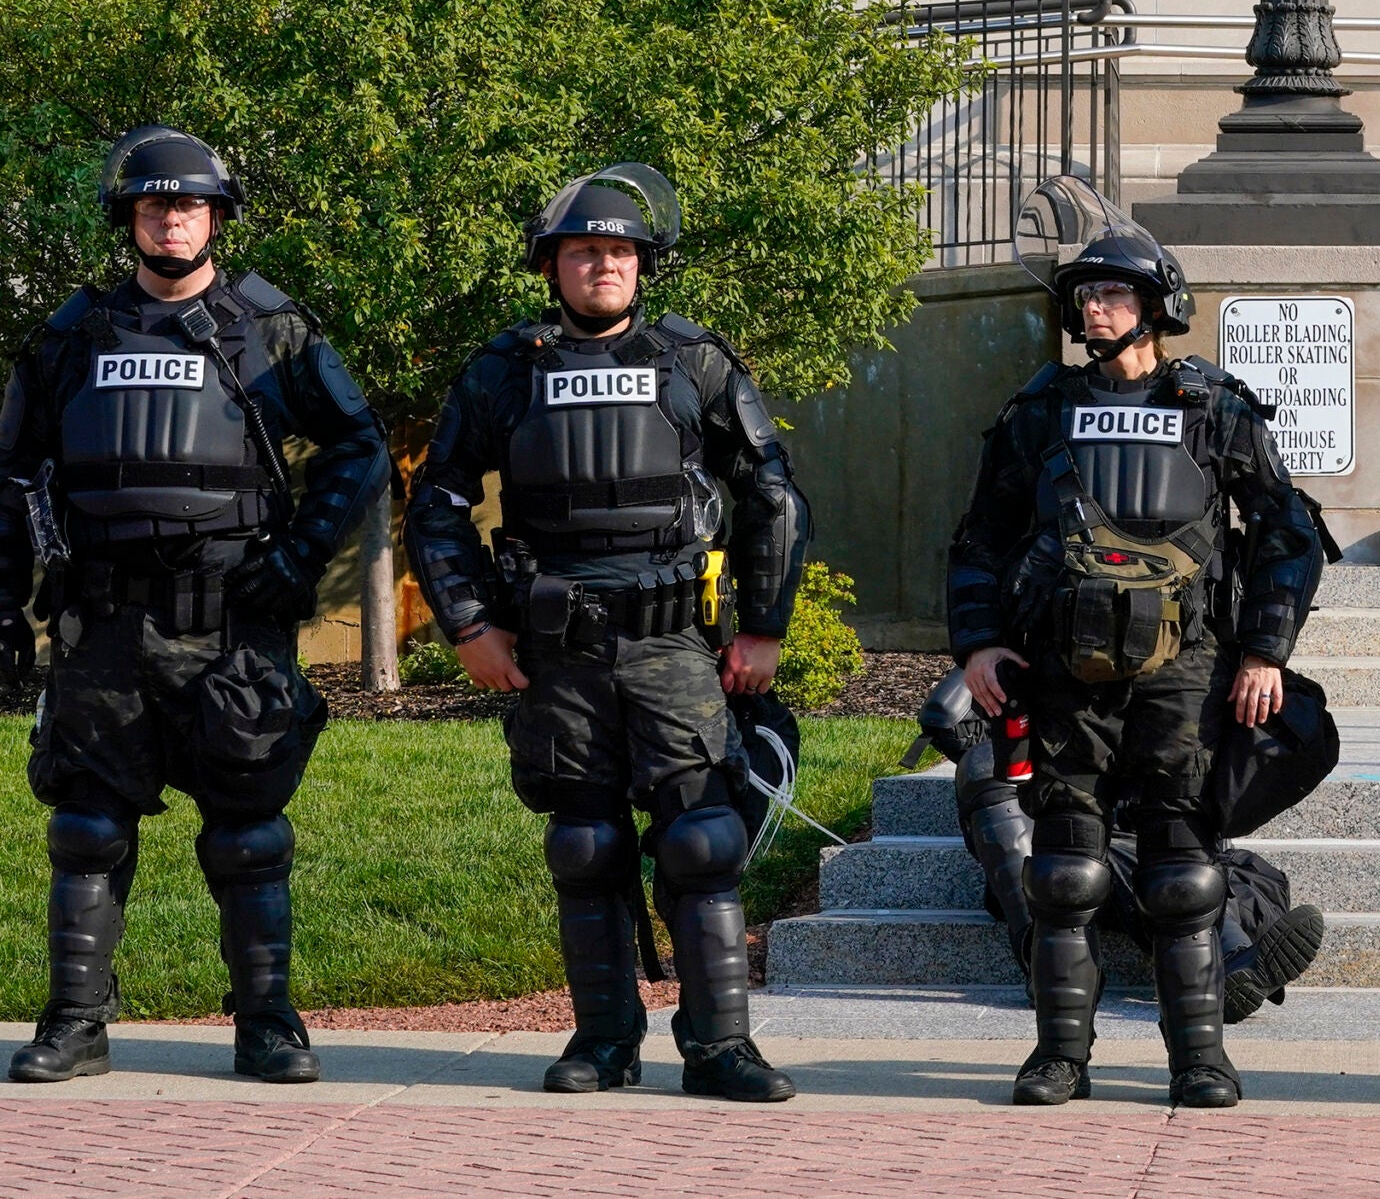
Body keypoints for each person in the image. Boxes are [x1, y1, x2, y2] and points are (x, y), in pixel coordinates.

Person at [405, 164, 810, 1103]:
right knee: (585, 845)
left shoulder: (693, 361)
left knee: (702, 839)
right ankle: (603, 1039)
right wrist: (467, 624)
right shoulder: (506, 369)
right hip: (559, 651)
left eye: (620, 250)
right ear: (552, 266)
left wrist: (764, 628)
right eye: (583, 250)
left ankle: (721, 1046)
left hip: (674, 646)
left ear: (643, 263)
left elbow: (771, 494)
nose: (603, 264)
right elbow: (438, 502)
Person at [3, 127, 389, 1084]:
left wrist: (300, 556)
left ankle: (268, 1024)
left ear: (216, 217)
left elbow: (360, 447)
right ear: (129, 218)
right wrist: (7, 608)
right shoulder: (75, 334)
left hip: (232, 623)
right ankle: (75, 1023)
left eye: (188, 204)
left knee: (249, 832)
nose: (170, 218)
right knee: (87, 827)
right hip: (104, 623)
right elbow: (11, 475)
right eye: (153, 204)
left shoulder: (271, 328)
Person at [947, 178, 1325, 1110]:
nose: (1093, 307)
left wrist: (1264, 650)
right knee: (1065, 869)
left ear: (1158, 304)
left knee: (1183, 872)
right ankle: (1059, 1058)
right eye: (1084, 294)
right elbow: (981, 537)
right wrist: (980, 644)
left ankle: (1200, 1061)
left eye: (1112, 292)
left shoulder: (1215, 406)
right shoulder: (1041, 408)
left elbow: (1289, 531)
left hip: (1184, 671)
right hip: (1062, 669)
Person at [912, 670, 1328, 1023]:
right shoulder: (1053, 636)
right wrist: (993, 652)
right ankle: (1045, 960)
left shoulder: (1187, 654)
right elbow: (945, 715)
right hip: (1059, 840)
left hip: (1162, 826)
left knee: (1185, 861)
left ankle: (1230, 962)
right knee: (986, 766)